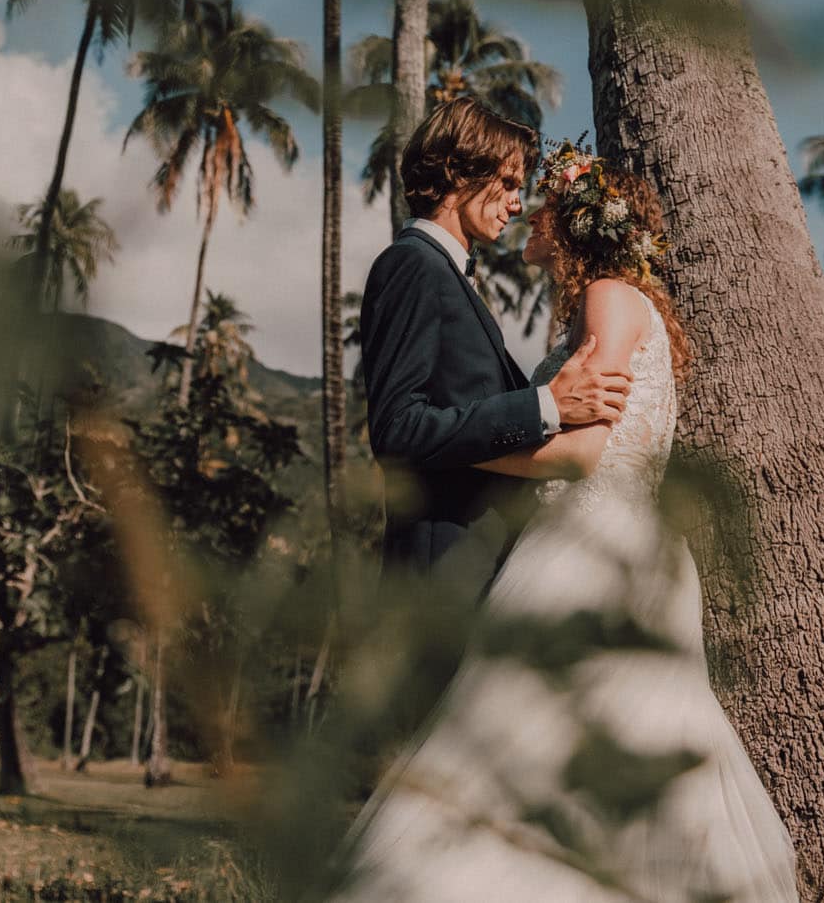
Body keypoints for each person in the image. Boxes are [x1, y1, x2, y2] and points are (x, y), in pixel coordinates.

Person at [335, 140, 800, 903]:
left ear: (574, 222)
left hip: (590, 544)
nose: (528, 211)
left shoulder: (608, 299)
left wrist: (464, 450)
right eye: (519, 189)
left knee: (519, 751)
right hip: (599, 541)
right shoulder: (606, 303)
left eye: (541, 198)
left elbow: (583, 452)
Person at [359, 98, 631, 604]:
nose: (515, 204)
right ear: (456, 170)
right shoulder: (411, 266)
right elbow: (397, 429)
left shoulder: (447, 276)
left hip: (478, 573)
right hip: (438, 579)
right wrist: (547, 405)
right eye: (507, 184)